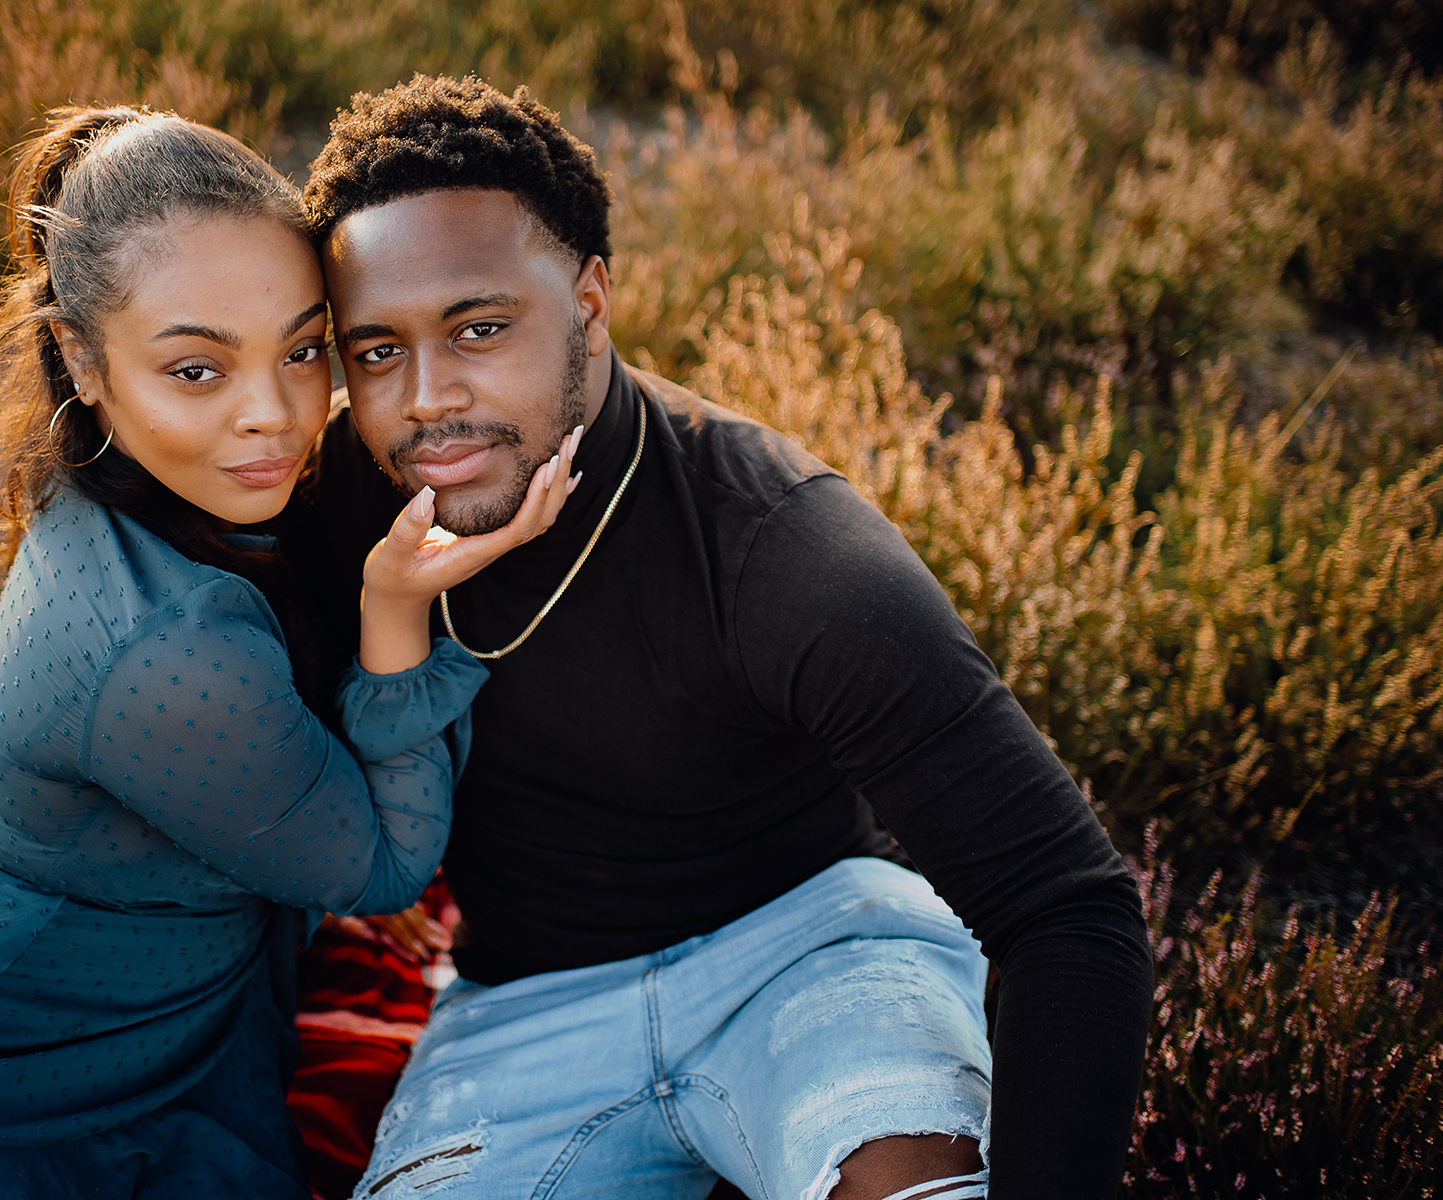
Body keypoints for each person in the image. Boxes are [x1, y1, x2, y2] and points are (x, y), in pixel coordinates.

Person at [0, 104, 580, 1200]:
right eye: (198, 371)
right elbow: (384, 869)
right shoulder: (169, 652)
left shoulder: (132, 470)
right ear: (81, 355)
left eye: (304, 350)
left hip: (83, 1005)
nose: (277, 419)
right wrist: (393, 617)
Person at [284, 76, 1156, 1200]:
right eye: (377, 350)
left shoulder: (781, 548)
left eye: (480, 327)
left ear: (590, 303)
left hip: (811, 951)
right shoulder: (343, 499)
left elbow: (1067, 907)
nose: (427, 399)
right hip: (523, 1001)